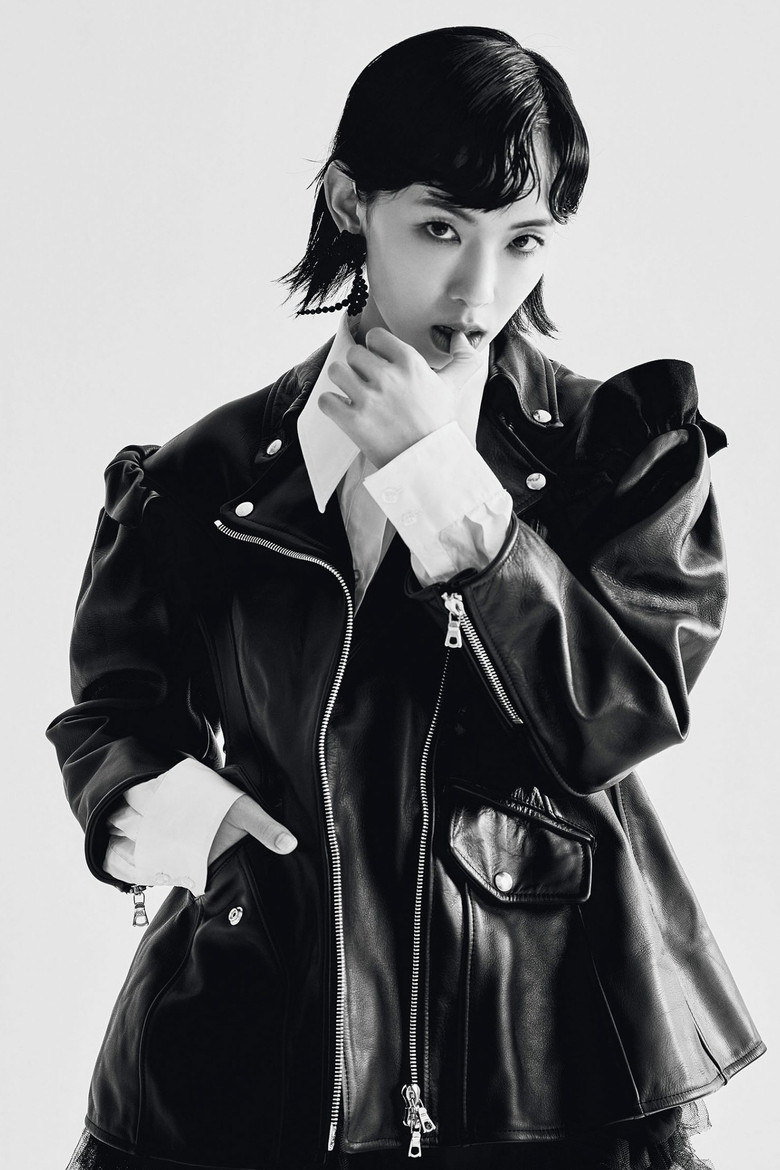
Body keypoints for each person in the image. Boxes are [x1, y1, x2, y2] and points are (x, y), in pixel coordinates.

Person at [47, 25, 765, 1170]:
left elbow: (619, 719)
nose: (480, 289)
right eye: (440, 228)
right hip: (248, 1053)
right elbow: (109, 718)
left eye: (523, 241)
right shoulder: (199, 479)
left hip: (542, 1062)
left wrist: (450, 492)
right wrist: (198, 830)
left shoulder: (620, 454)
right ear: (352, 203)